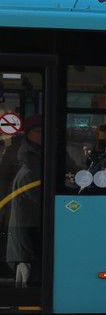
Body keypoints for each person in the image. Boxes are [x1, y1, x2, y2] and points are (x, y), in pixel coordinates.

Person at [6, 114, 42, 288]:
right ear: (27, 133)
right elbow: (38, 198)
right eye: (37, 131)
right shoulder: (26, 159)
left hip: (31, 225)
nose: (42, 135)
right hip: (26, 226)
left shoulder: (44, 152)